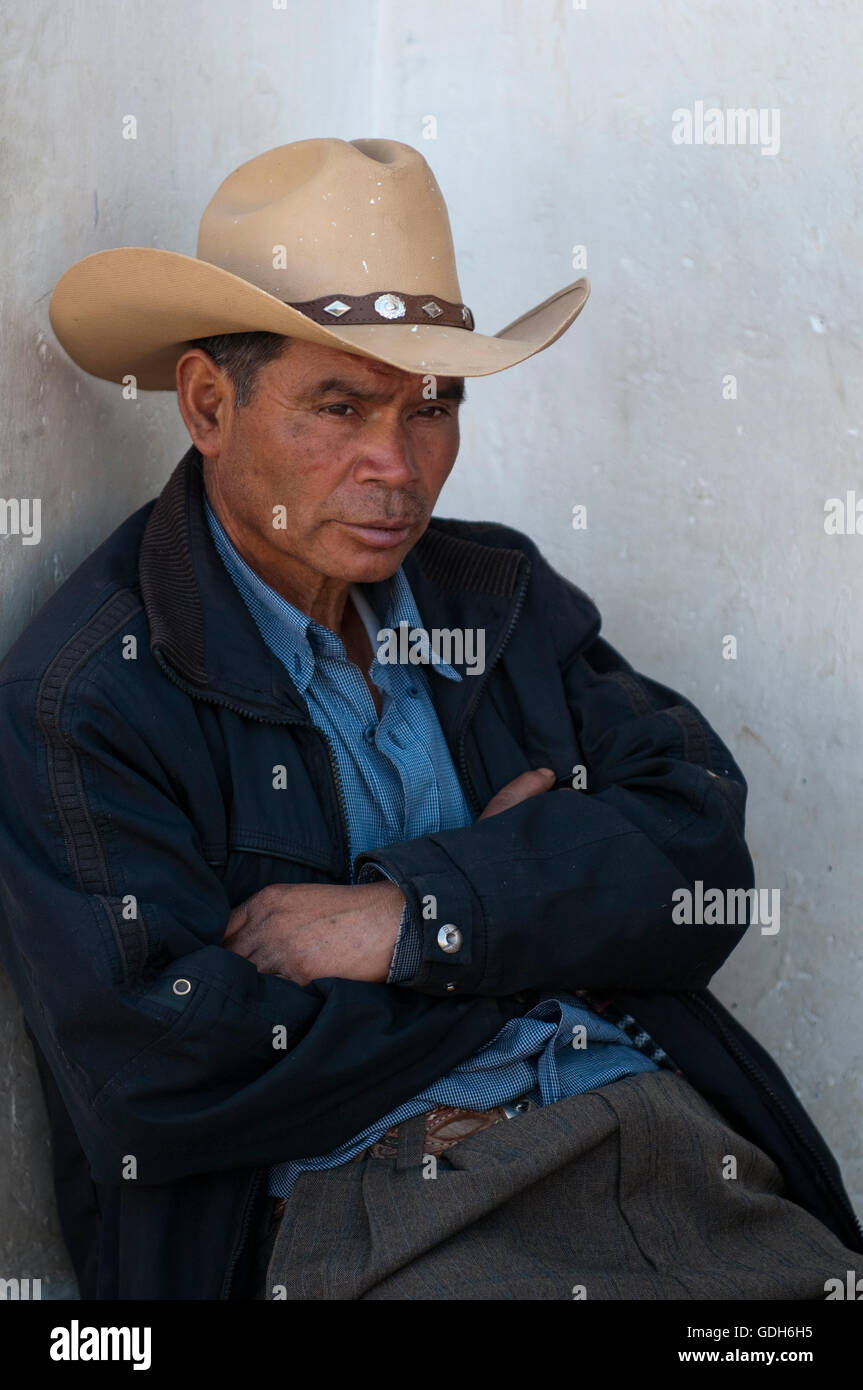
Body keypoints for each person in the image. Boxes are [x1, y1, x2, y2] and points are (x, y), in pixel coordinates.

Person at [0, 138, 859, 1301]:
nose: (396, 466)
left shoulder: (491, 596)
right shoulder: (92, 691)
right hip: (370, 1211)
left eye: (432, 405)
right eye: (340, 404)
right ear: (209, 402)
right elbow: (163, 1072)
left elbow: (696, 852)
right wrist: (534, 911)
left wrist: (409, 919)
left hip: (657, 1144)